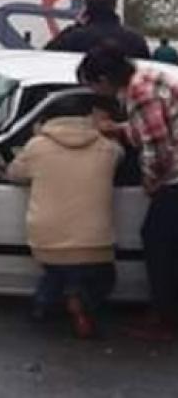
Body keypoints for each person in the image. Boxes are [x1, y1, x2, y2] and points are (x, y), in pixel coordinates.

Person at [79, 43, 178, 340]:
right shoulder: (144, 76)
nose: (96, 94)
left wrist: (151, 182)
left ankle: (167, 319)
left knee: (158, 242)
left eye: (92, 87)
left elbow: (158, 148)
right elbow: (150, 127)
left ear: (104, 81)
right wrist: (119, 129)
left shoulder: (139, 93)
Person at [6, 95, 121, 338]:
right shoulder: (107, 148)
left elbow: (13, 174)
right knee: (102, 277)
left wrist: (35, 137)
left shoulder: (36, 147)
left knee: (56, 270)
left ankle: (46, 304)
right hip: (95, 240)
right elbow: (121, 156)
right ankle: (77, 297)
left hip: (48, 239)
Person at [45, 0, 150, 59]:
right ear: (114, 5)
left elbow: (46, 55)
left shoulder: (73, 38)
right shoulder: (135, 40)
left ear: (86, 7)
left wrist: (75, 26)